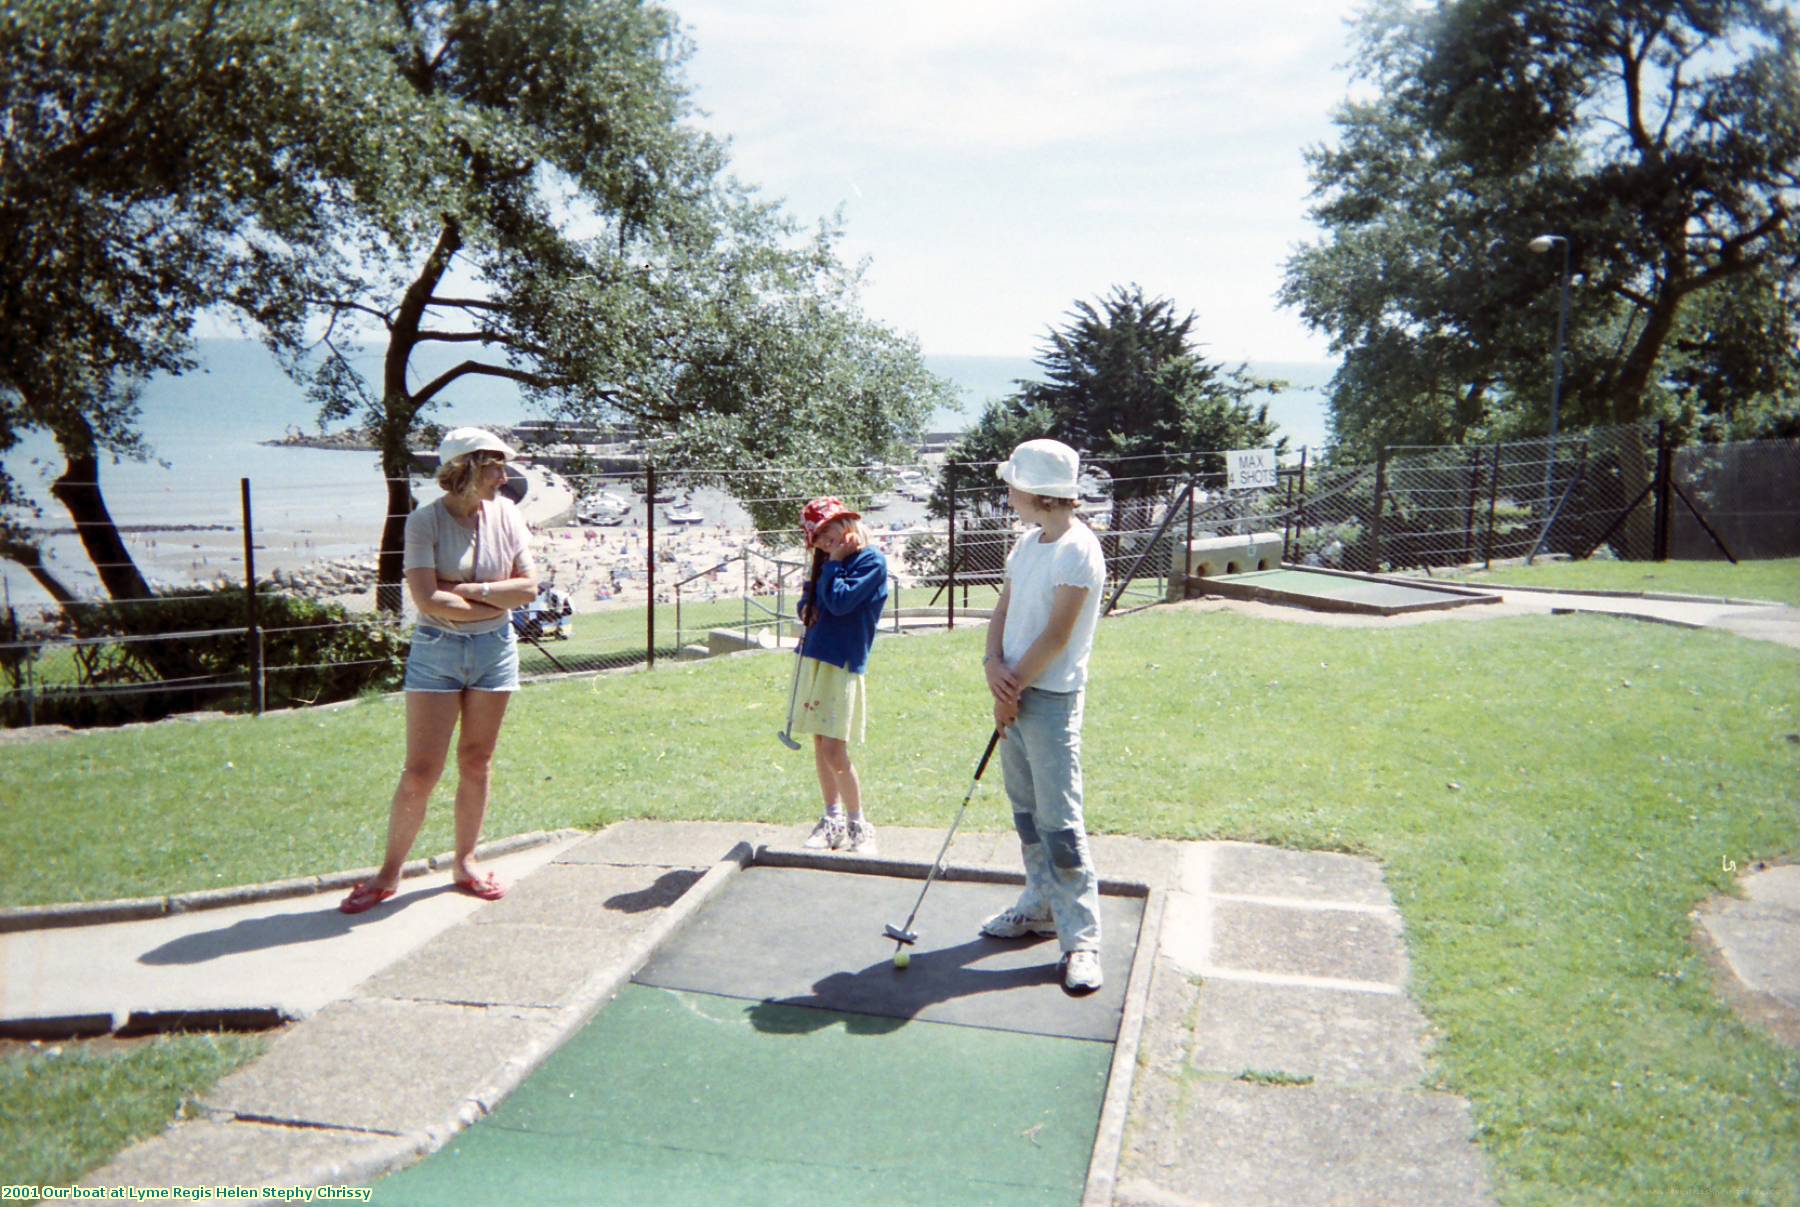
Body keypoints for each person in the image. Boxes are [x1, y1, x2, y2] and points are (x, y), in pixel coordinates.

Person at [340, 428, 538, 913]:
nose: (504, 476)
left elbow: (529, 589)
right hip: (437, 651)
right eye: (495, 466)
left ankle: (465, 862)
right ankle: (390, 872)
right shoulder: (423, 522)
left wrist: (468, 591)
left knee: (476, 761)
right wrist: (495, 593)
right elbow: (427, 599)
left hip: (494, 651)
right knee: (421, 771)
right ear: (468, 468)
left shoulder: (508, 514)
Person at [980, 439, 1109, 994]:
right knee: (1027, 812)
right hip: (1014, 691)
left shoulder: (1078, 550)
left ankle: (1081, 939)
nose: (1008, 492)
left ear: (1036, 493)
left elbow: (1057, 636)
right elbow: (1004, 610)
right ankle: (1038, 905)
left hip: (1050, 700)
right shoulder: (1028, 545)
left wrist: (1013, 687)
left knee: (1060, 822)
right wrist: (992, 665)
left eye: (1013, 484)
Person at [793, 496, 889, 855]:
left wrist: (833, 563)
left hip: (843, 661)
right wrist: (806, 607)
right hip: (817, 656)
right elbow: (810, 601)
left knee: (835, 748)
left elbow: (840, 602)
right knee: (820, 742)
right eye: (815, 538)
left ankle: (858, 822)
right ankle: (831, 819)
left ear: (845, 523)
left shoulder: (870, 561)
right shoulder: (824, 562)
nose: (821, 541)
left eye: (824, 531)